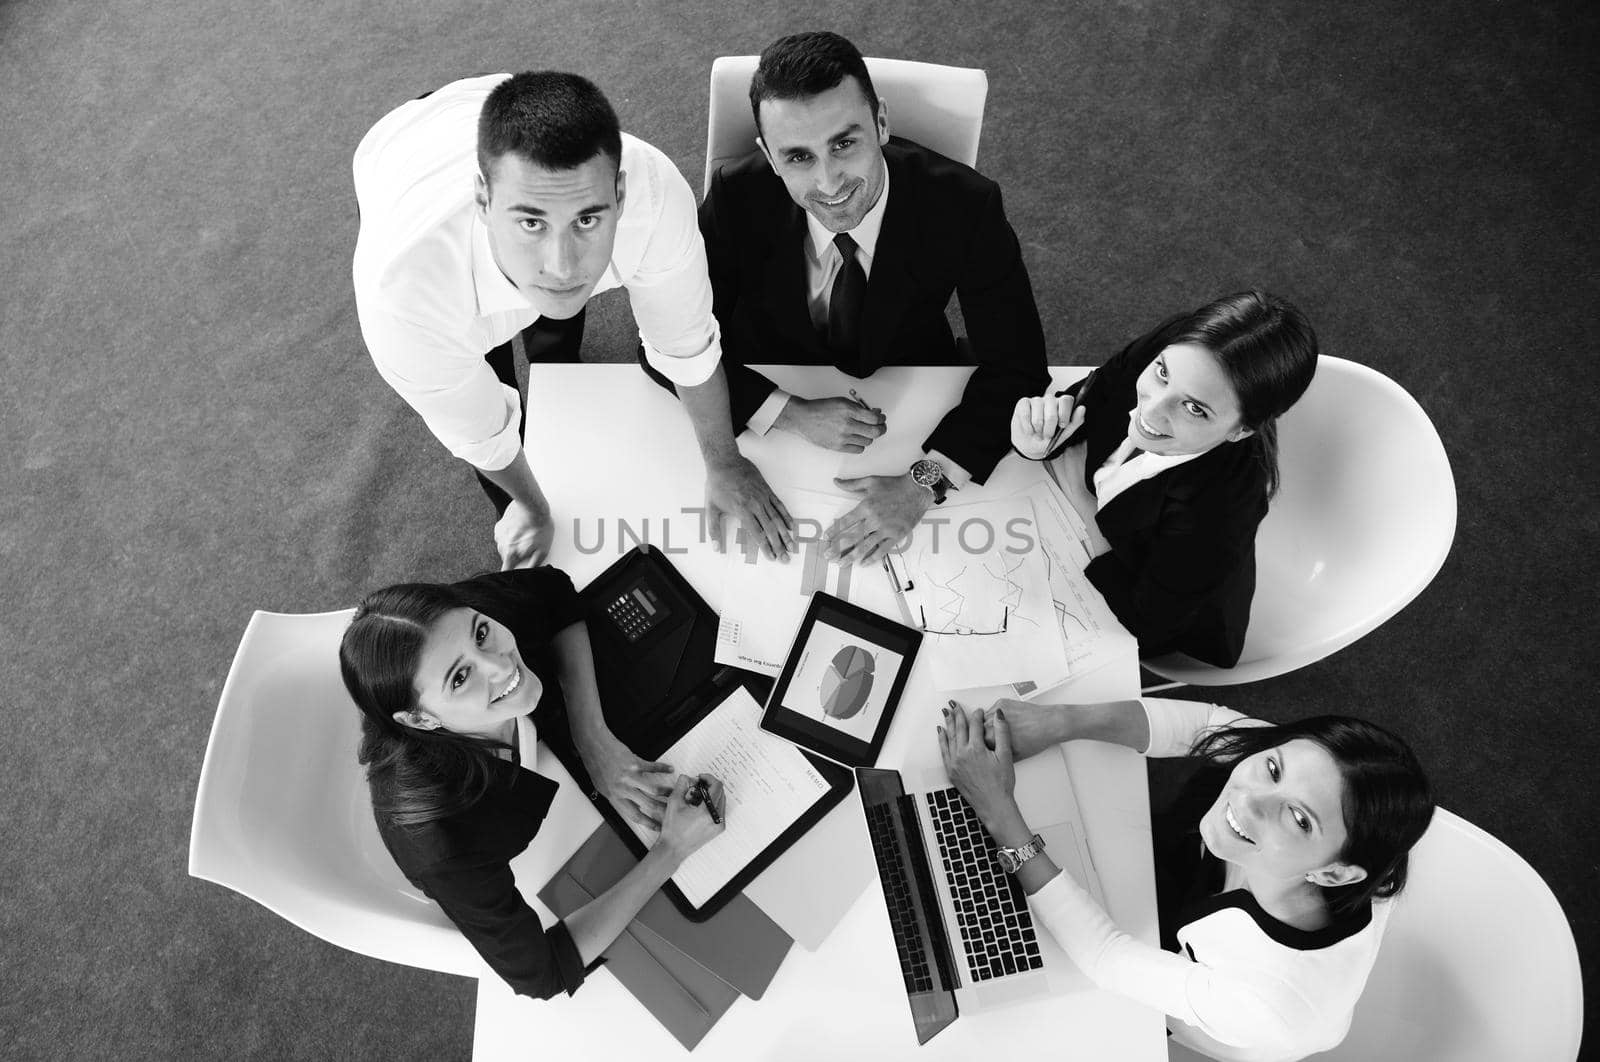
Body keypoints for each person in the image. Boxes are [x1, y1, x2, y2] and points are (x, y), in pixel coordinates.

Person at [353, 72, 796, 569]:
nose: (563, 266)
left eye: (587, 219)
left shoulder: (656, 197)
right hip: (398, 152)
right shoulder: (405, 302)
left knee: (555, 318)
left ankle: (554, 353)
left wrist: (724, 461)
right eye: (531, 223)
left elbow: (687, 346)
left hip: (486, 103)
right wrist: (532, 508)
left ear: (621, 196)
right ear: (483, 200)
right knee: (490, 373)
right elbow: (482, 430)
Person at [647, 31, 1049, 565]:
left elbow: (1019, 370)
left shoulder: (966, 205)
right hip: (769, 373)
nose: (829, 181)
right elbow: (668, 346)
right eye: (797, 157)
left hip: (906, 375)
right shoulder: (736, 196)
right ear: (768, 155)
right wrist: (788, 412)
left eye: (844, 143)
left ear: (881, 122)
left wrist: (920, 485)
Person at [939, 697, 1432, 1062]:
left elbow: (1107, 958)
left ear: (1333, 871)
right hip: (1188, 901)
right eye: (1273, 768)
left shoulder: (1269, 1000)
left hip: (1178, 1015)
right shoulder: (1311, 774)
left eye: (1299, 819)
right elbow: (1211, 727)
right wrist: (1063, 722)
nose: (1250, 798)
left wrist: (998, 808)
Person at [338, 566, 725, 999]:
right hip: (523, 861)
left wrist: (591, 736)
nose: (501, 665)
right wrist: (671, 850)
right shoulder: (442, 846)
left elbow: (553, 589)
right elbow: (542, 973)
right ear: (420, 719)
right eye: (460, 678)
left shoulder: (455, 625)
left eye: (482, 634)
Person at [1012, 290, 1318, 666]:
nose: (1149, 413)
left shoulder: (1221, 512)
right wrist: (1036, 437)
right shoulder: (1172, 347)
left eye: (1194, 408)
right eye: (1161, 374)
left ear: (1240, 430)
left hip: (1154, 614)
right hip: (1073, 540)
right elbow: (1091, 397)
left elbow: (1148, 625)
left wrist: (1081, 505)